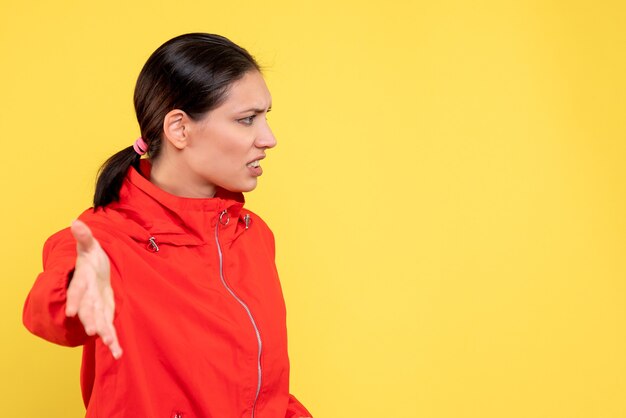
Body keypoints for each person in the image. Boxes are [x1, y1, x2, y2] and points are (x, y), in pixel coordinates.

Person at [23, 33, 312, 418]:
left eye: (265, 118)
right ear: (179, 129)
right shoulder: (106, 240)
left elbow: (264, 392)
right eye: (246, 120)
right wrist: (78, 280)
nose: (269, 139)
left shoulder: (252, 234)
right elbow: (51, 316)